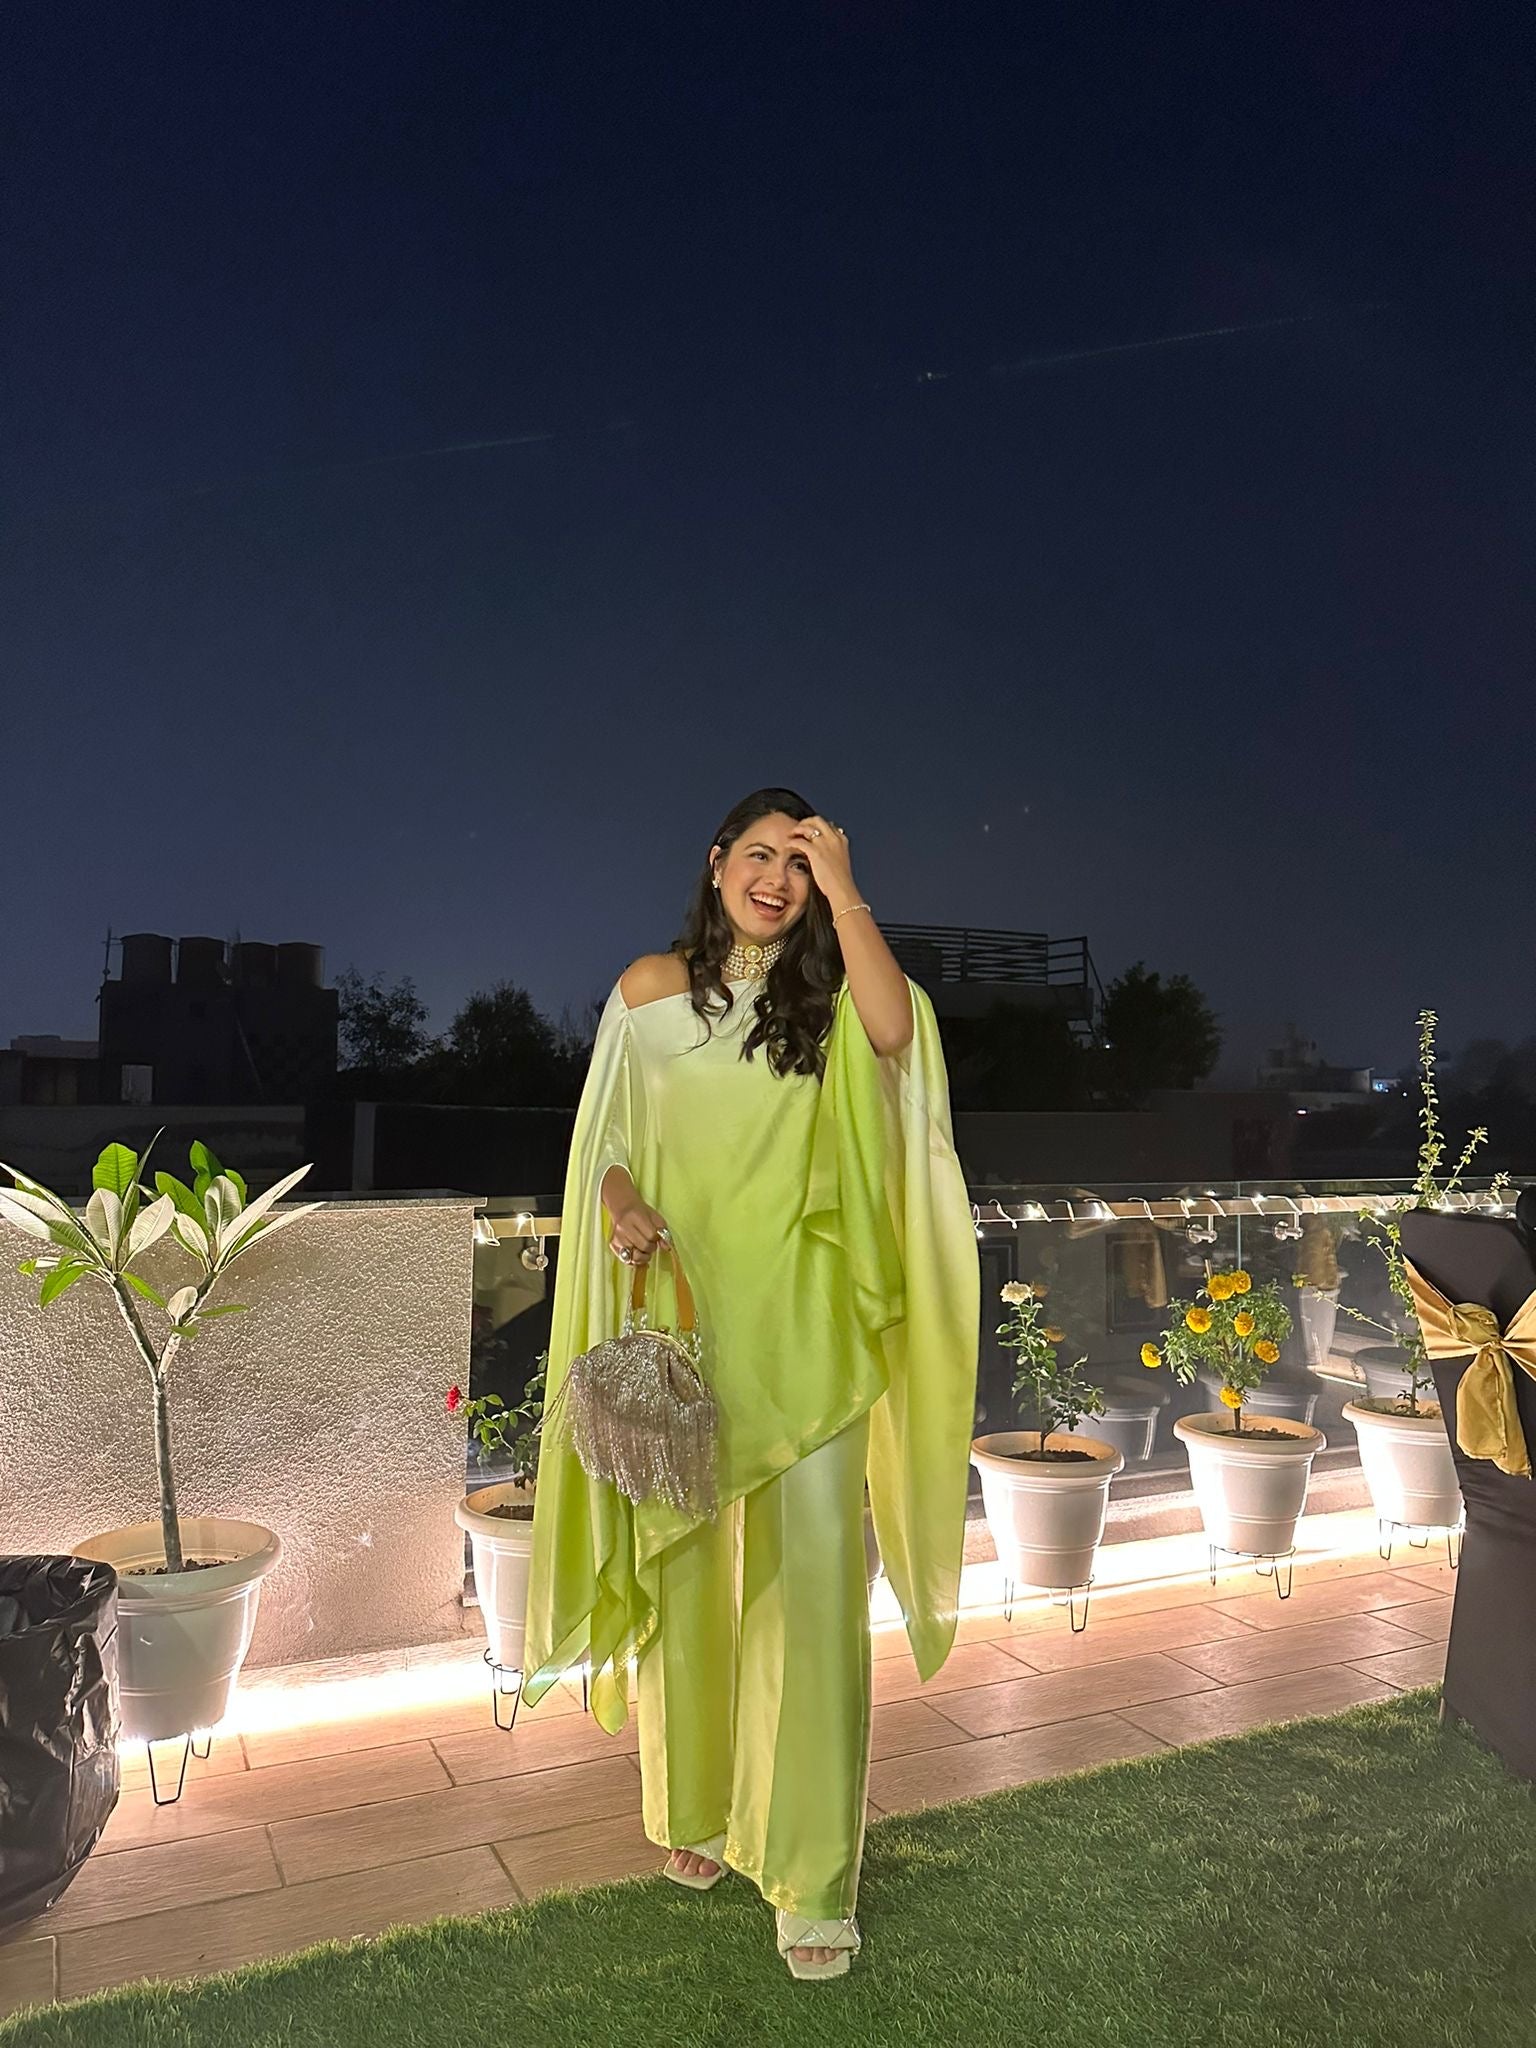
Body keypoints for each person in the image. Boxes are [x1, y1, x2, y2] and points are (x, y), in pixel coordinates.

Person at [523, 787, 978, 1980]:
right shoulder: (647, 990)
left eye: (800, 862)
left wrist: (849, 887)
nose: (776, 878)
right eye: (761, 854)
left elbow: (899, 1035)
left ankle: (814, 1875)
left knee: (813, 1594)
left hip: (811, 1332)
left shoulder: (830, 1002)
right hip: (689, 1322)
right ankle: (699, 1806)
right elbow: (604, 1143)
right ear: (717, 859)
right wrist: (621, 1201)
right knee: (689, 1577)